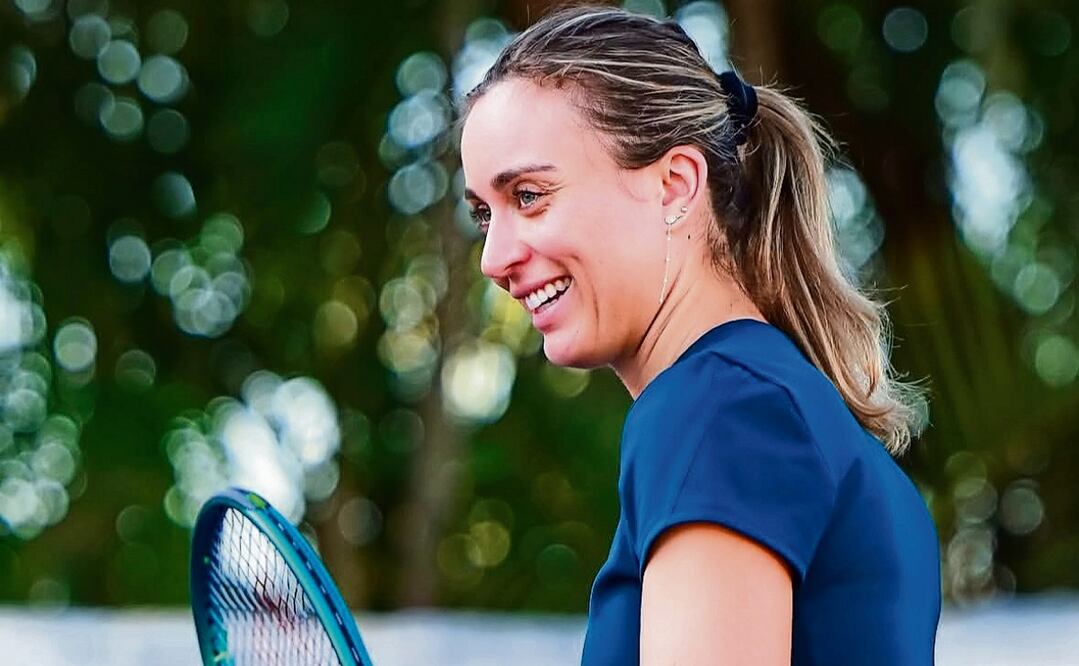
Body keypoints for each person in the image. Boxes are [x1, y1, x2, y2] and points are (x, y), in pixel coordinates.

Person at [457, 5, 941, 665]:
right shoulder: (767, 401)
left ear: (674, 185)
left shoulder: (717, 406)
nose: (493, 257)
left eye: (530, 196)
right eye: (483, 213)